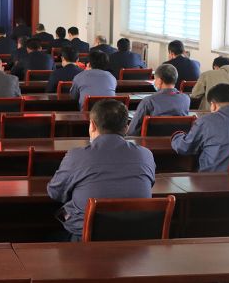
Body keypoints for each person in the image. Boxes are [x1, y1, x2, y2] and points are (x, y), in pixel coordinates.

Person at [47, 99, 156, 241]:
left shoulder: (77, 156)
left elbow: (55, 192)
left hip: (87, 242)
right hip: (136, 240)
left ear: (92, 125)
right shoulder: (146, 155)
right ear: (126, 128)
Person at [172, 83, 229, 172]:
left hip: (216, 180)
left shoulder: (206, 121)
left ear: (213, 105)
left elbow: (184, 148)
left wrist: (177, 136)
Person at [127, 64, 190, 136]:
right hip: (178, 141)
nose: (154, 82)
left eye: (155, 79)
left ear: (160, 81)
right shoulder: (186, 99)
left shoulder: (149, 101)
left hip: (151, 142)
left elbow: (132, 131)